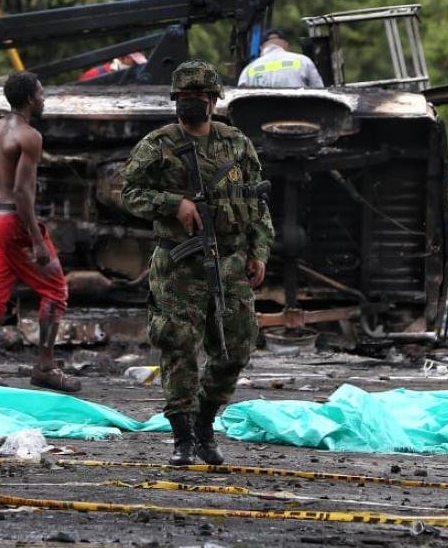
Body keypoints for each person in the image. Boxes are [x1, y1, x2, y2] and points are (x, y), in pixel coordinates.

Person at [122, 60, 274, 465]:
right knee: (179, 346)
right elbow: (130, 193)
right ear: (176, 101)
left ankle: (206, 423)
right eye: (184, 98)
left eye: (199, 98)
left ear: (212, 101)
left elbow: (257, 203)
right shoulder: (158, 144)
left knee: (235, 346)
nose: (191, 104)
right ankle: (183, 438)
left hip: (231, 262)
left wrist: (259, 251)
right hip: (178, 263)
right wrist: (175, 203)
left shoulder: (236, 143)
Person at [0, 71, 80, 393]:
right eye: (41, 92)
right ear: (30, 98)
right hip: (14, 222)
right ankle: (46, 367)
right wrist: (36, 240)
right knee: (55, 290)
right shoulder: (29, 136)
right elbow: (22, 192)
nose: (44, 98)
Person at [236, 28, 324, 88]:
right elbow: (320, 91)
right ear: (286, 44)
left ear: (261, 48)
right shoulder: (303, 61)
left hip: (261, 114)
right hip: (298, 114)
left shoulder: (248, 70)